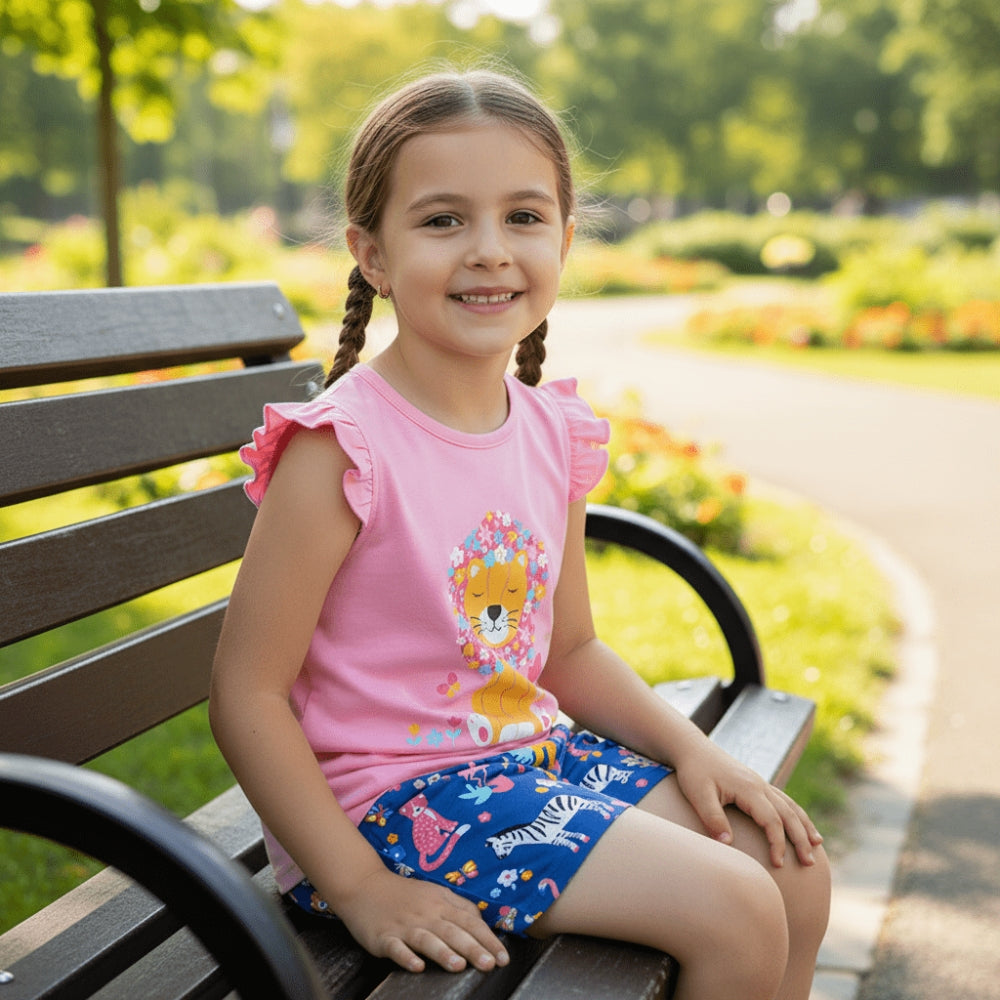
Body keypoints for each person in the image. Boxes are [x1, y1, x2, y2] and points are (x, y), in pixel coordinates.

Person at [209, 69, 830, 1000]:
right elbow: (245, 692)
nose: (490, 251)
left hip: (522, 764)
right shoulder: (344, 447)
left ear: (567, 241)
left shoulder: (549, 431)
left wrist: (694, 751)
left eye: (524, 218)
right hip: (390, 807)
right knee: (735, 908)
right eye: (443, 220)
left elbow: (568, 650)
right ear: (371, 254)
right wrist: (361, 885)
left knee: (796, 873)